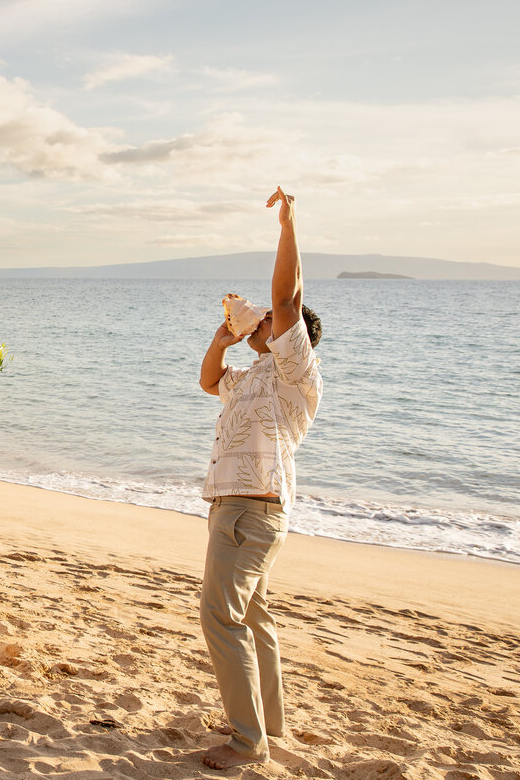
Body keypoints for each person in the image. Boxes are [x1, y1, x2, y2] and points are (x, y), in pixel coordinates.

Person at [197, 187, 323, 769]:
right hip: (236, 505)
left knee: (219, 615)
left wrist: (288, 226)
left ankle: (248, 742)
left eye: (273, 320)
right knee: (253, 617)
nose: (264, 317)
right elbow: (207, 382)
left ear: (291, 334)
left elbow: (287, 297)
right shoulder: (251, 375)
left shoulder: (296, 372)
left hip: (255, 508)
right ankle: (269, 724)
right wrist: (219, 342)